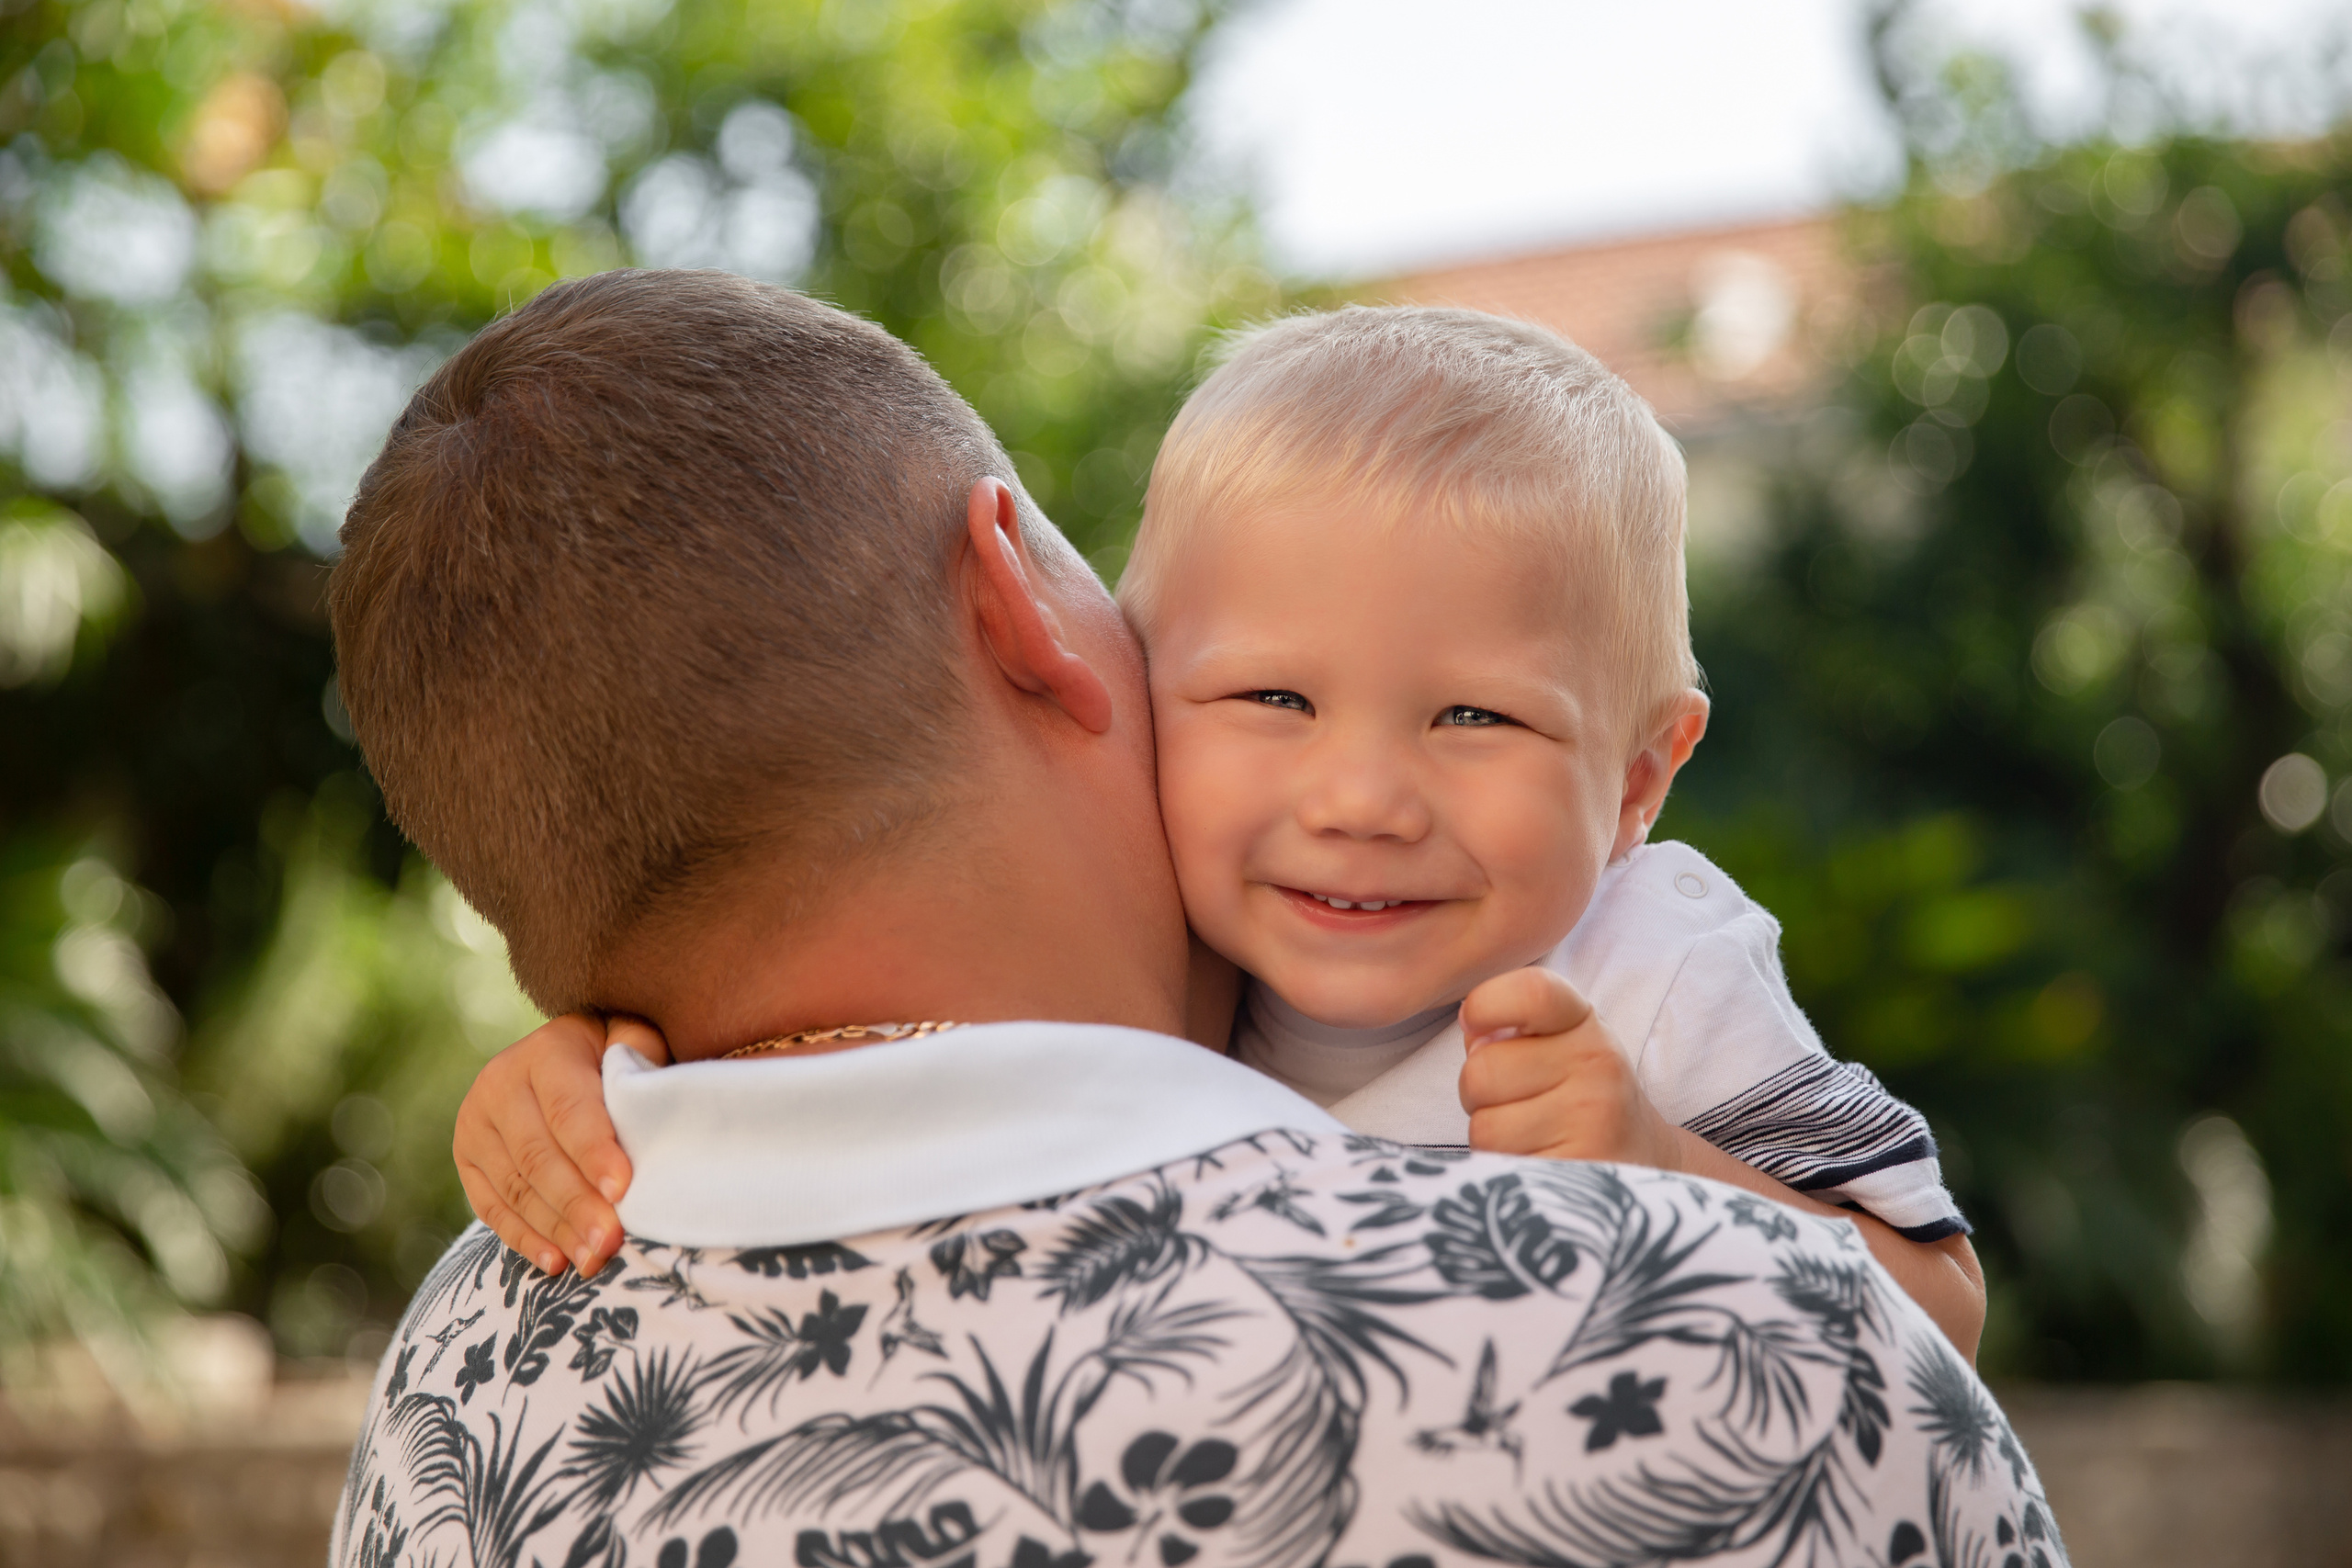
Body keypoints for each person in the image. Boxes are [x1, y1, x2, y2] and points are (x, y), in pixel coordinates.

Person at [329, 269, 2064, 1565]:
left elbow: (1939, 1290)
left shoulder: (453, 1394)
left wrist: (1659, 1150)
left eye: (1474, 716)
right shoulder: (1757, 1356)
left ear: (1640, 776)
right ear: (1030, 609)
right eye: (1264, 700)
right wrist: (583, 1074)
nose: (1361, 800)